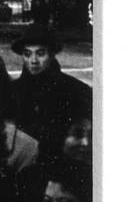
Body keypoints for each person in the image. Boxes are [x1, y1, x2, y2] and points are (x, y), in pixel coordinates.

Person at [9, 26, 93, 158]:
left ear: (52, 54)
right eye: (27, 54)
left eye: (40, 53)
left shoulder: (76, 91)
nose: (33, 60)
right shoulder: (12, 91)